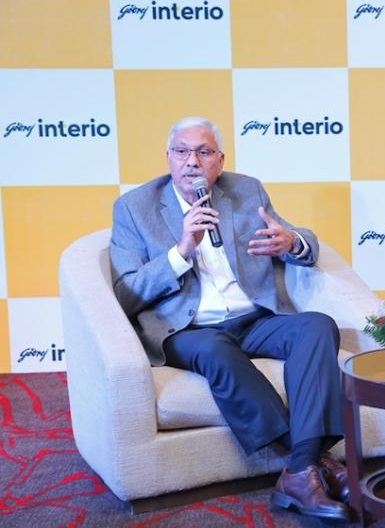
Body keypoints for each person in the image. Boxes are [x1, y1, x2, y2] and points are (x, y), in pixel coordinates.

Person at [109, 116, 350, 521]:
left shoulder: (246, 190)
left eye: (204, 152)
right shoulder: (135, 208)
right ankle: (313, 464)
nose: (192, 162)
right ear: (168, 158)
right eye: (182, 152)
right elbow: (127, 292)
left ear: (219, 162)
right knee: (215, 348)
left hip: (252, 319)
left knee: (317, 326)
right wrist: (181, 251)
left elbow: (301, 241)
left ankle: (299, 470)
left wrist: (293, 242)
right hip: (187, 328)